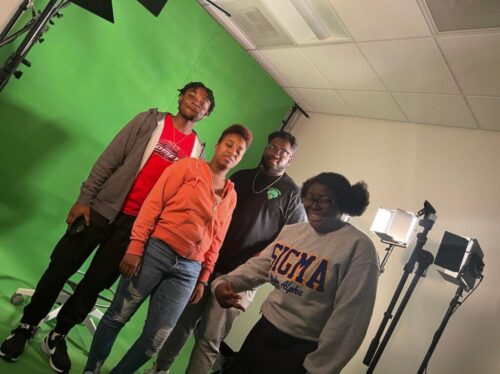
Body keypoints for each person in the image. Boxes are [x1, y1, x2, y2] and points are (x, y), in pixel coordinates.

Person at [0, 82, 215, 373]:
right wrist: (85, 199)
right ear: (180, 98)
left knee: (94, 285)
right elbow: (110, 159)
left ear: (207, 114)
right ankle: (26, 326)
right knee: (61, 266)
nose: (196, 103)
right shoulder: (148, 122)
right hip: (102, 209)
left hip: (134, 229)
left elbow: (177, 199)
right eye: (192, 95)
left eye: (204, 103)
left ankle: (58, 334)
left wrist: (144, 239)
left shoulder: (196, 153)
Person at [83, 124, 253, 374]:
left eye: (239, 151)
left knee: (156, 340)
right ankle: (92, 368)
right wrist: (136, 246)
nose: (233, 152)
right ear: (217, 146)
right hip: (155, 252)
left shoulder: (231, 194)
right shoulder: (187, 167)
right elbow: (153, 205)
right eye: (229, 145)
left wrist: (204, 277)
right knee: (118, 315)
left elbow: (218, 238)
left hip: (188, 270)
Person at [149, 131, 306, 374]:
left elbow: (293, 239)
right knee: (182, 325)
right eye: (272, 147)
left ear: (290, 159)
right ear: (266, 148)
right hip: (207, 266)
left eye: (283, 152)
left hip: (242, 280)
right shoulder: (241, 177)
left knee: (209, 340)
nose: (276, 154)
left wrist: (261, 261)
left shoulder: (292, 194)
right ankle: (159, 369)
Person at [214, 172, 380, 374]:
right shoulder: (292, 232)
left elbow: (350, 319)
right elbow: (259, 267)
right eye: (309, 197)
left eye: (324, 200)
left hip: (302, 351)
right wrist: (224, 283)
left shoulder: (359, 249)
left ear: (343, 203)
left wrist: (319, 368)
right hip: (262, 333)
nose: (314, 205)